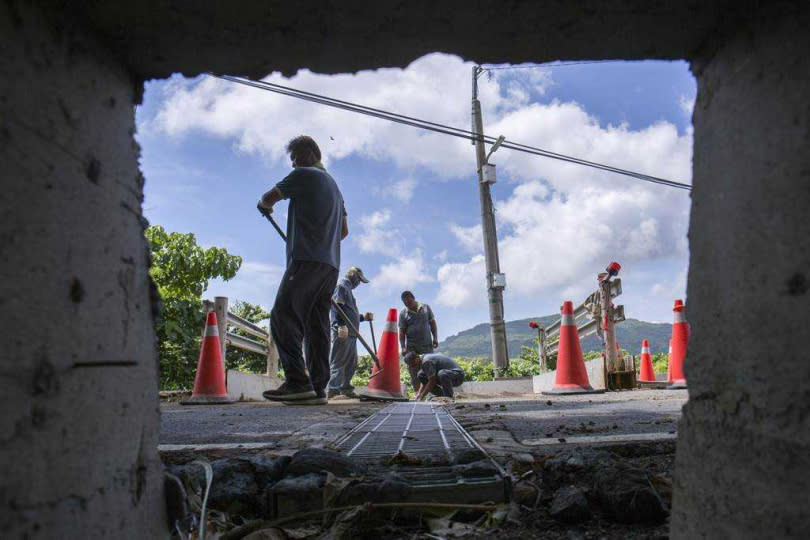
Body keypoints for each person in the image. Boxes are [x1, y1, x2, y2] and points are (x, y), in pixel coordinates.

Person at [258, 135, 348, 406]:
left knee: (283, 317)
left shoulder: (305, 175)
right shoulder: (335, 188)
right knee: (316, 326)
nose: (294, 164)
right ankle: (318, 388)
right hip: (329, 265)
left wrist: (265, 207)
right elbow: (343, 231)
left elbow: (268, 197)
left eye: (295, 158)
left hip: (306, 261)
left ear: (309, 153)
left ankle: (297, 381)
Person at [327, 266, 372, 399]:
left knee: (351, 362)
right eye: (358, 280)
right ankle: (333, 389)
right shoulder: (341, 286)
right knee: (339, 361)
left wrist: (364, 317)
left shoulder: (348, 291)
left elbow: (350, 314)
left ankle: (345, 388)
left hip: (351, 333)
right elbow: (336, 307)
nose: (358, 283)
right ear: (353, 275)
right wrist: (340, 325)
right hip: (343, 331)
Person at [398, 291, 439, 390]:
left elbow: (432, 323)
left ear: (413, 298)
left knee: (429, 369)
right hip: (412, 348)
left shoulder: (426, 308)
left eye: (409, 302)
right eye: (405, 303)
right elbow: (402, 332)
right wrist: (403, 347)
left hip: (427, 346)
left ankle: (431, 392)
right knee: (414, 371)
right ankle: (417, 394)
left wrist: (435, 338)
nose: (408, 304)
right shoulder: (403, 313)